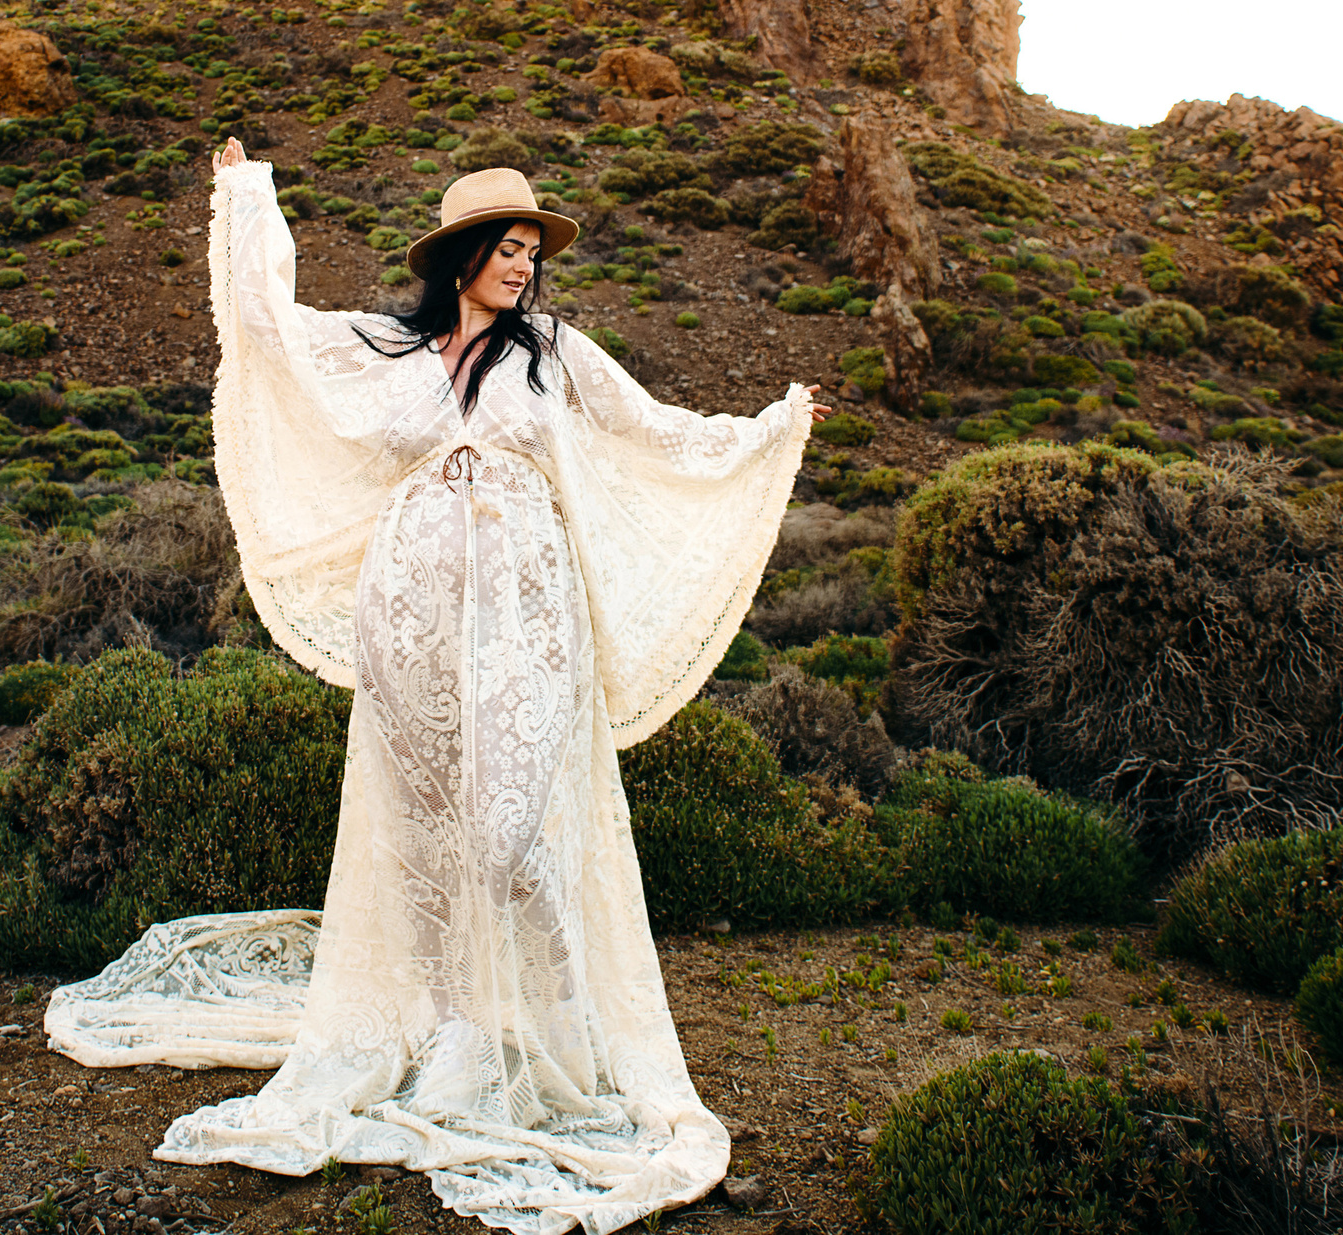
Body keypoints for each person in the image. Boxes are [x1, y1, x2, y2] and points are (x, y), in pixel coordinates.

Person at [45, 141, 832, 1235]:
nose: (521, 268)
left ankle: (564, 1039)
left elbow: (657, 433)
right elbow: (272, 335)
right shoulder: (389, 346)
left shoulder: (553, 351)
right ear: (458, 253)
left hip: (526, 610)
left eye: (528, 252)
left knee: (511, 831)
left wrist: (769, 427)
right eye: (504, 250)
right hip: (407, 610)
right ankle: (456, 1027)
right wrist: (244, 198)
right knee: (422, 827)